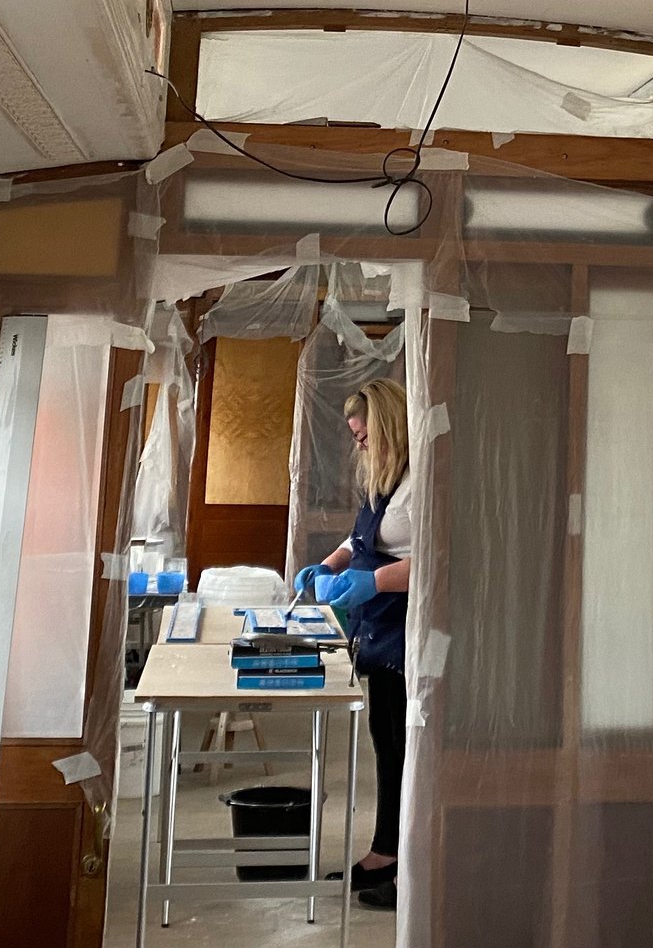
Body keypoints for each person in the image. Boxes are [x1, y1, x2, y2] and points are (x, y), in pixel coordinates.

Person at [295, 377, 412, 911]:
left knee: (408, 751)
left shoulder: (422, 481)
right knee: (385, 745)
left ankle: (410, 864)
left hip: (408, 628)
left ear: (388, 426)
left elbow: (440, 557)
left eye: (364, 434)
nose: (359, 444)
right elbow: (361, 537)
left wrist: (372, 582)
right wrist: (331, 564)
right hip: (379, 631)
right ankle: (385, 850)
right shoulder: (383, 479)